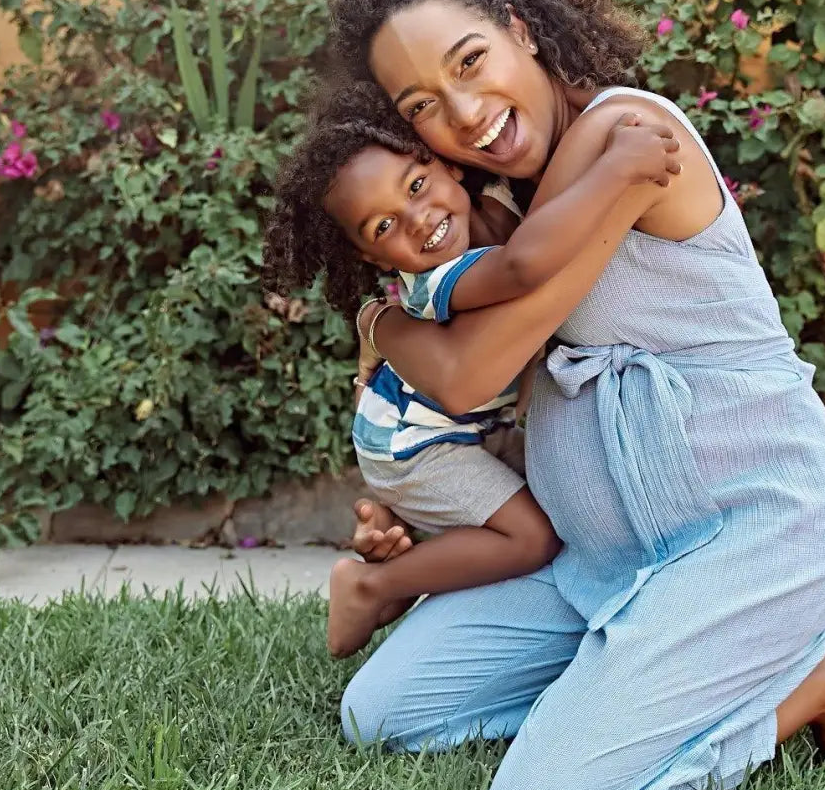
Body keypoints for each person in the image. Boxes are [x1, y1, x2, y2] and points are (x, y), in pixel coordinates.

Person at [323, 0, 825, 790]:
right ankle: (629, 673)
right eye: (424, 104)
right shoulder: (497, 208)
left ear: (521, 31)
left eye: (472, 62)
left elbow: (471, 373)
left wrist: (381, 321)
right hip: (603, 561)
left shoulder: (625, 138)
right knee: (382, 714)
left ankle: (824, 680)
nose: (467, 114)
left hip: (750, 532)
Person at [265, 80, 683, 658]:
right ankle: (371, 585)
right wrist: (615, 170)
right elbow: (521, 266)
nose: (416, 220)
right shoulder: (435, 284)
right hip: (415, 443)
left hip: (464, 431)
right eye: (383, 227)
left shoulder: (500, 200)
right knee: (528, 538)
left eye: (416, 186)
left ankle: (401, 569)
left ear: (443, 166)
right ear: (371, 256)